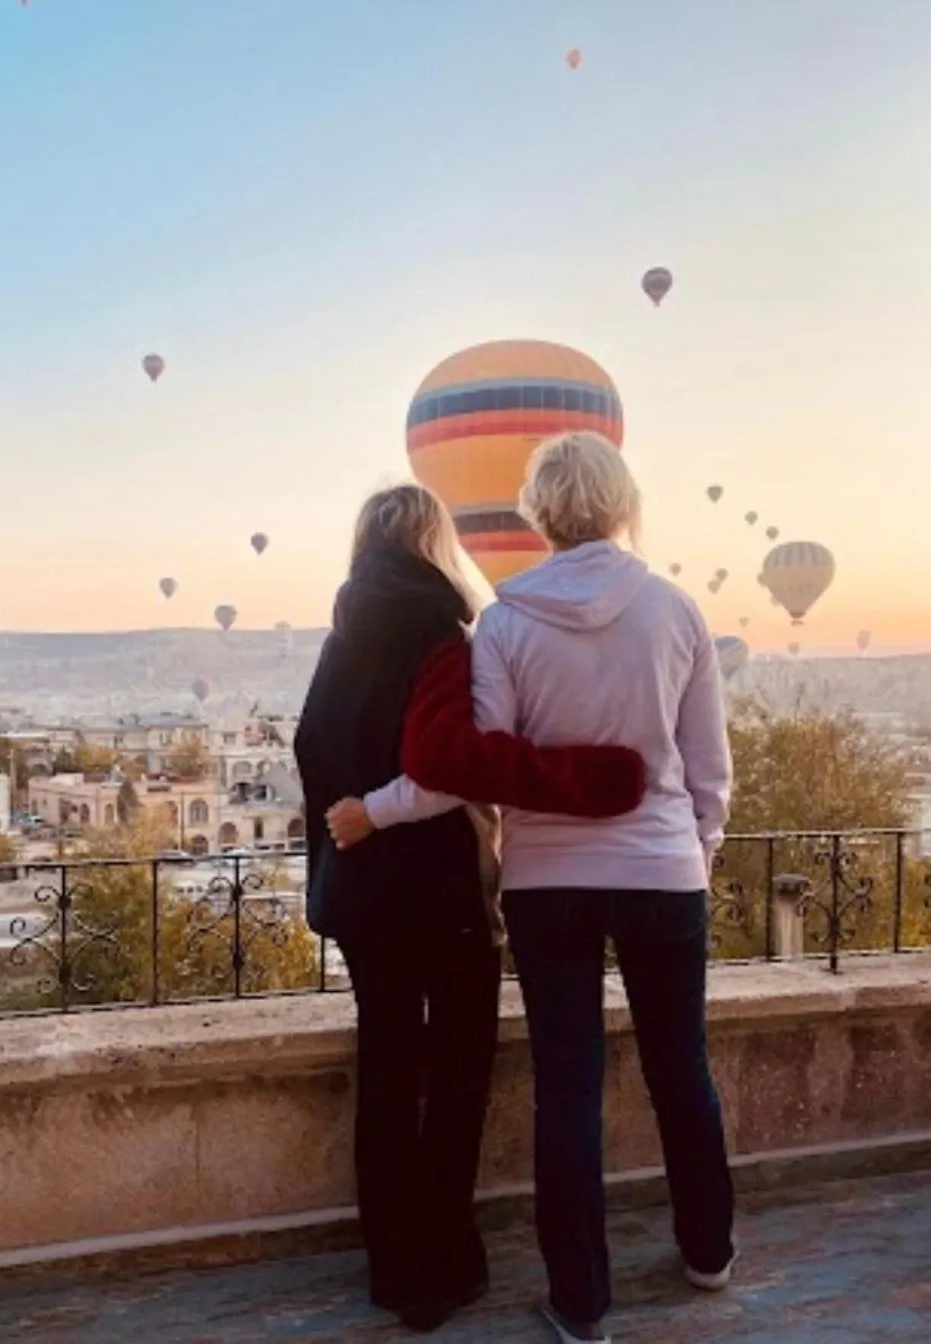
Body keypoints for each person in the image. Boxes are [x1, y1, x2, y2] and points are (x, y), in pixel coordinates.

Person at [333, 434, 735, 1344]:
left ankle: (581, 1302)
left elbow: (471, 770)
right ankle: (708, 1251)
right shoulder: (675, 610)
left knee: (567, 1087)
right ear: (623, 501)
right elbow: (709, 767)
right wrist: (693, 848)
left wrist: (375, 810)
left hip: (548, 882)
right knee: (682, 1069)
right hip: (662, 873)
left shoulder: (504, 626)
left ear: (537, 513)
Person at [294, 483, 647, 1334]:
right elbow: (454, 761)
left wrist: (350, 824)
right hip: (442, 893)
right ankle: (441, 1267)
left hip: (361, 894)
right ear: (433, 540)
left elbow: (310, 744)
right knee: (455, 1077)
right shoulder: (443, 636)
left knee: (384, 1072)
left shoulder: (339, 640)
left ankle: (390, 1266)